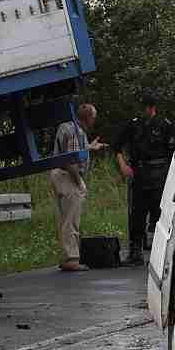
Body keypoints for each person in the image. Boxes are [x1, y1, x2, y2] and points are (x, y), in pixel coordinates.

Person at [115, 90, 175, 265]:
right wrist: (123, 165)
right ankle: (136, 253)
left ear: (153, 107)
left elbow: (173, 154)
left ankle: (162, 254)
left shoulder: (165, 126)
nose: (145, 111)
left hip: (159, 175)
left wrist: (170, 178)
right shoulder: (134, 125)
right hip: (140, 174)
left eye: (148, 107)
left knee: (160, 214)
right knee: (137, 214)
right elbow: (117, 145)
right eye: (143, 107)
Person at [49, 104, 107, 272]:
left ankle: (67, 255)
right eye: (93, 117)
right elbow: (71, 161)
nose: (94, 121)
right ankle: (72, 259)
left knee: (64, 217)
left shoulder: (65, 127)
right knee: (71, 219)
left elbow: (69, 149)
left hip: (57, 174)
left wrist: (90, 147)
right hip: (69, 176)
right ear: (88, 117)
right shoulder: (76, 131)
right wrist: (79, 182)